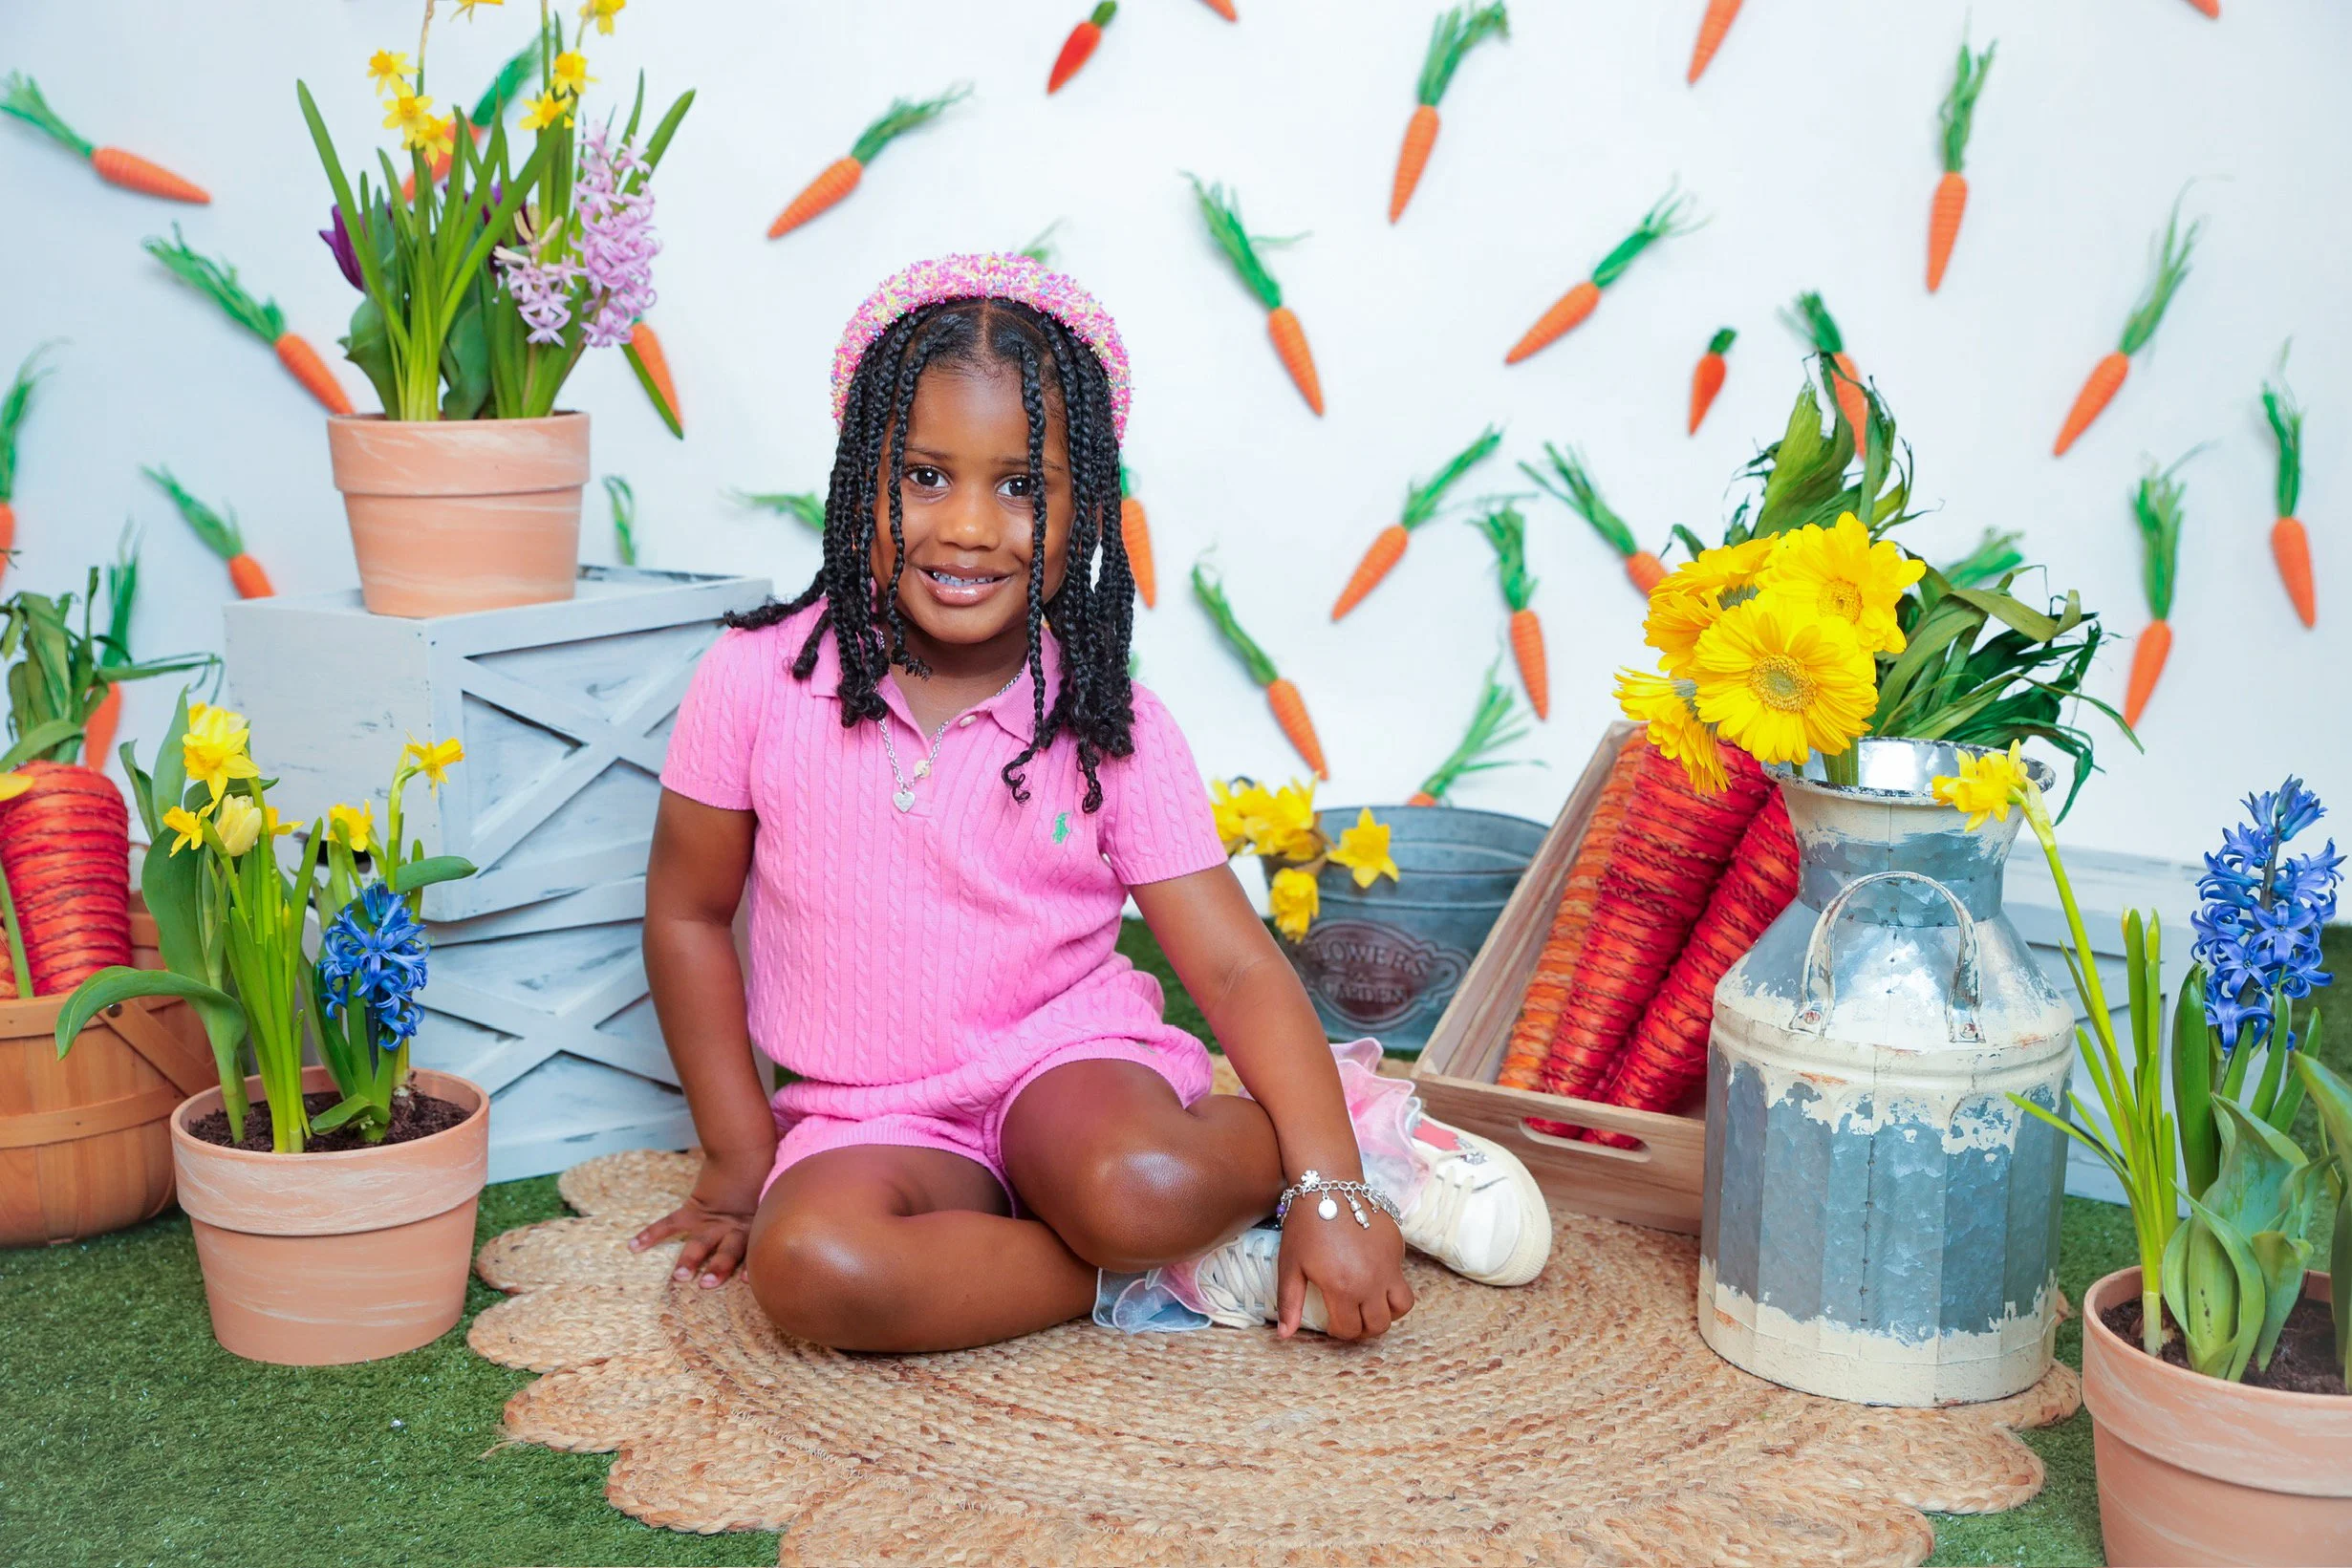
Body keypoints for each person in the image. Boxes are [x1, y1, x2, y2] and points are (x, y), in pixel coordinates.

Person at [631, 253, 1550, 1352]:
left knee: (1139, 1189)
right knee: (816, 1272)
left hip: (1066, 1075)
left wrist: (1332, 1190)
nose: (969, 526)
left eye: (1021, 486)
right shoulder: (756, 682)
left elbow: (1232, 966)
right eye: (924, 476)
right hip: (869, 1115)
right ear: (856, 476)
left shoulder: (1107, 720)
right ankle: (1195, 1271)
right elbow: (688, 915)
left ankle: (1352, 1138)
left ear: (1087, 508)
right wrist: (739, 1166)